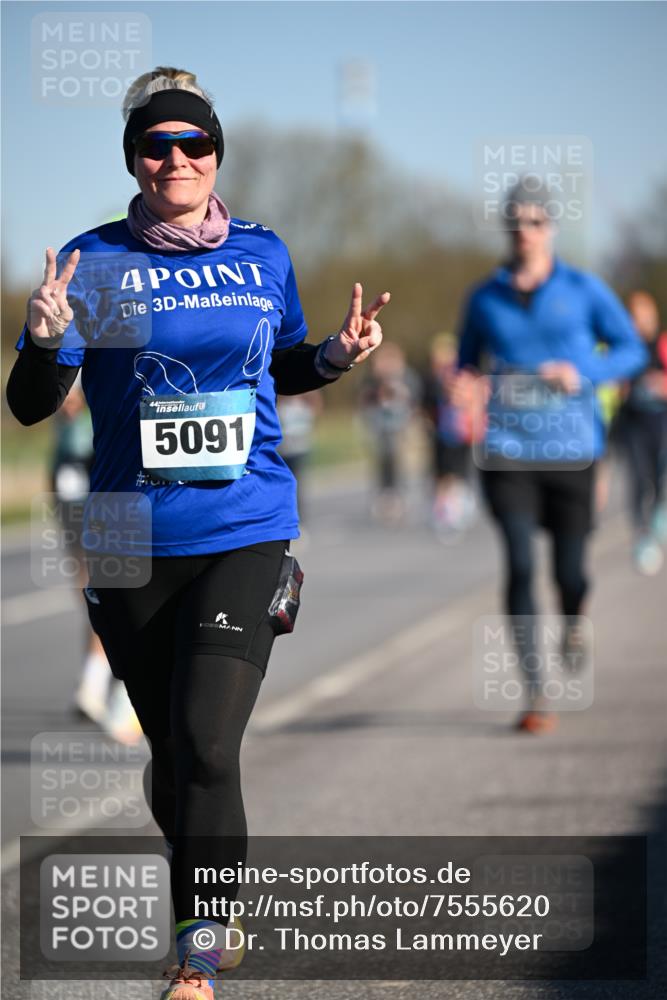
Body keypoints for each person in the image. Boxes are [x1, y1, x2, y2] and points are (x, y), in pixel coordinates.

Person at [6, 65, 390, 1000]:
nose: (177, 159)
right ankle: (207, 887)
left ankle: (198, 954)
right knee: (175, 761)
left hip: (243, 524)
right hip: (127, 535)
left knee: (208, 743)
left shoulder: (263, 254)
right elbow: (29, 406)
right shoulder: (88, 262)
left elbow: (286, 364)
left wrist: (334, 356)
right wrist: (47, 339)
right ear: (134, 161)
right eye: (156, 146)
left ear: (217, 155)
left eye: (195, 144)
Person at [454, 177, 646, 734]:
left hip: (572, 450)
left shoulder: (585, 290)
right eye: (516, 222)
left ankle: (575, 615)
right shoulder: (484, 296)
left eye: (536, 222)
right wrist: (463, 385)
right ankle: (537, 692)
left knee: (569, 571)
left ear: (552, 228)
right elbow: (466, 363)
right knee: (517, 562)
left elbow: (632, 350)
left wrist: (581, 372)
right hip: (507, 449)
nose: (525, 232)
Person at [50, 377, 142, 743]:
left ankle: (104, 688)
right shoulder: (67, 425)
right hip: (77, 507)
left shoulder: (100, 403)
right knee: (95, 595)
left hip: (102, 504)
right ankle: (99, 686)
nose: (67, 406)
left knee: (107, 595)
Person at [616, 291, 667, 574]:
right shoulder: (624, 349)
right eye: (633, 317)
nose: (639, 323)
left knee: (658, 476)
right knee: (637, 478)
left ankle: (660, 508)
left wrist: (660, 385)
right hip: (631, 423)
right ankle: (642, 536)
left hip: (659, 421)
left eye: (643, 317)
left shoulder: (662, 345)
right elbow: (613, 381)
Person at [420, 332, 477, 540]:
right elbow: (426, 405)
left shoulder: (462, 376)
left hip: (461, 432)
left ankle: (457, 510)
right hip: (441, 433)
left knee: (459, 474)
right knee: (442, 474)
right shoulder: (431, 380)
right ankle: (444, 513)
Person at [359, 341, 420, 523]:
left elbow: (412, 399)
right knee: (382, 460)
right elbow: (364, 400)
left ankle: (399, 495)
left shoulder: (406, 378)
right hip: (379, 426)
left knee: (398, 461)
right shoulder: (371, 381)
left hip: (399, 426)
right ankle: (384, 495)